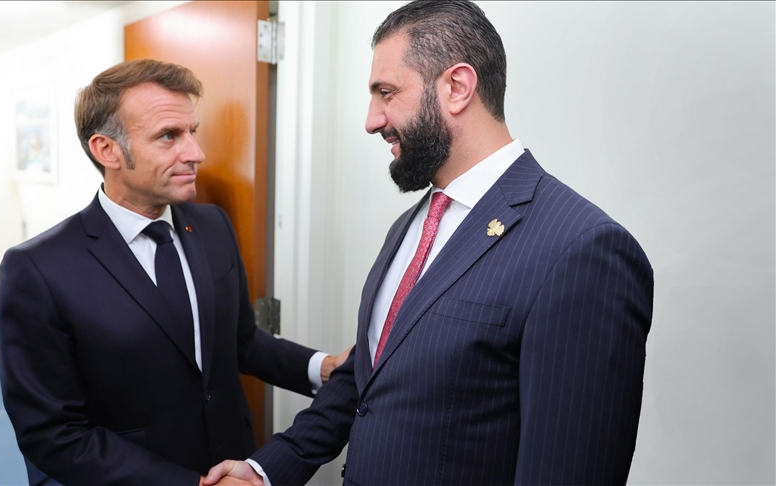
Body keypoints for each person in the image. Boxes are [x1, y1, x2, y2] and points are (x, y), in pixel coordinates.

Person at [204, 1, 654, 485]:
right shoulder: (410, 225)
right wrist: (266, 471)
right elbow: (369, 377)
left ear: (457, 87)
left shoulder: (581, 249)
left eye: (386, 92)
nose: (371, 120)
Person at [0, 59, 349, 486]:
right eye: (169, 136)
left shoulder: (213, 225)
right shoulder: (38, 268)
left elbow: (240, 341)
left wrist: (323, 367)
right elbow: (53, 435)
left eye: (192, 132)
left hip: (234, 465)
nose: (196, 153)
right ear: (107, 150)